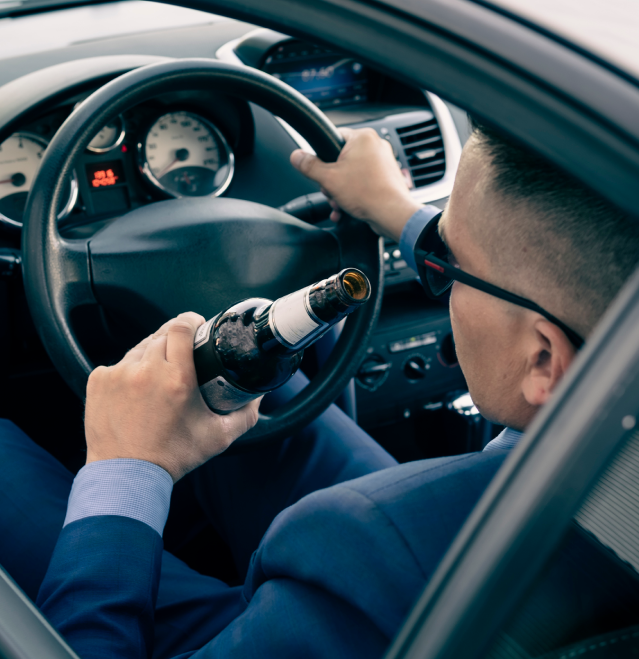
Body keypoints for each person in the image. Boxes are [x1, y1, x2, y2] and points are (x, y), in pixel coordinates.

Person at [1, 119, 638, 659]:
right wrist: (394, 211)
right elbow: (557, 274)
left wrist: (125, 466)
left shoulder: (368, 542)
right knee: (261, 385)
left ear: (543, 360)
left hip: (388, 609)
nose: (440, 275)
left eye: (455, 264)